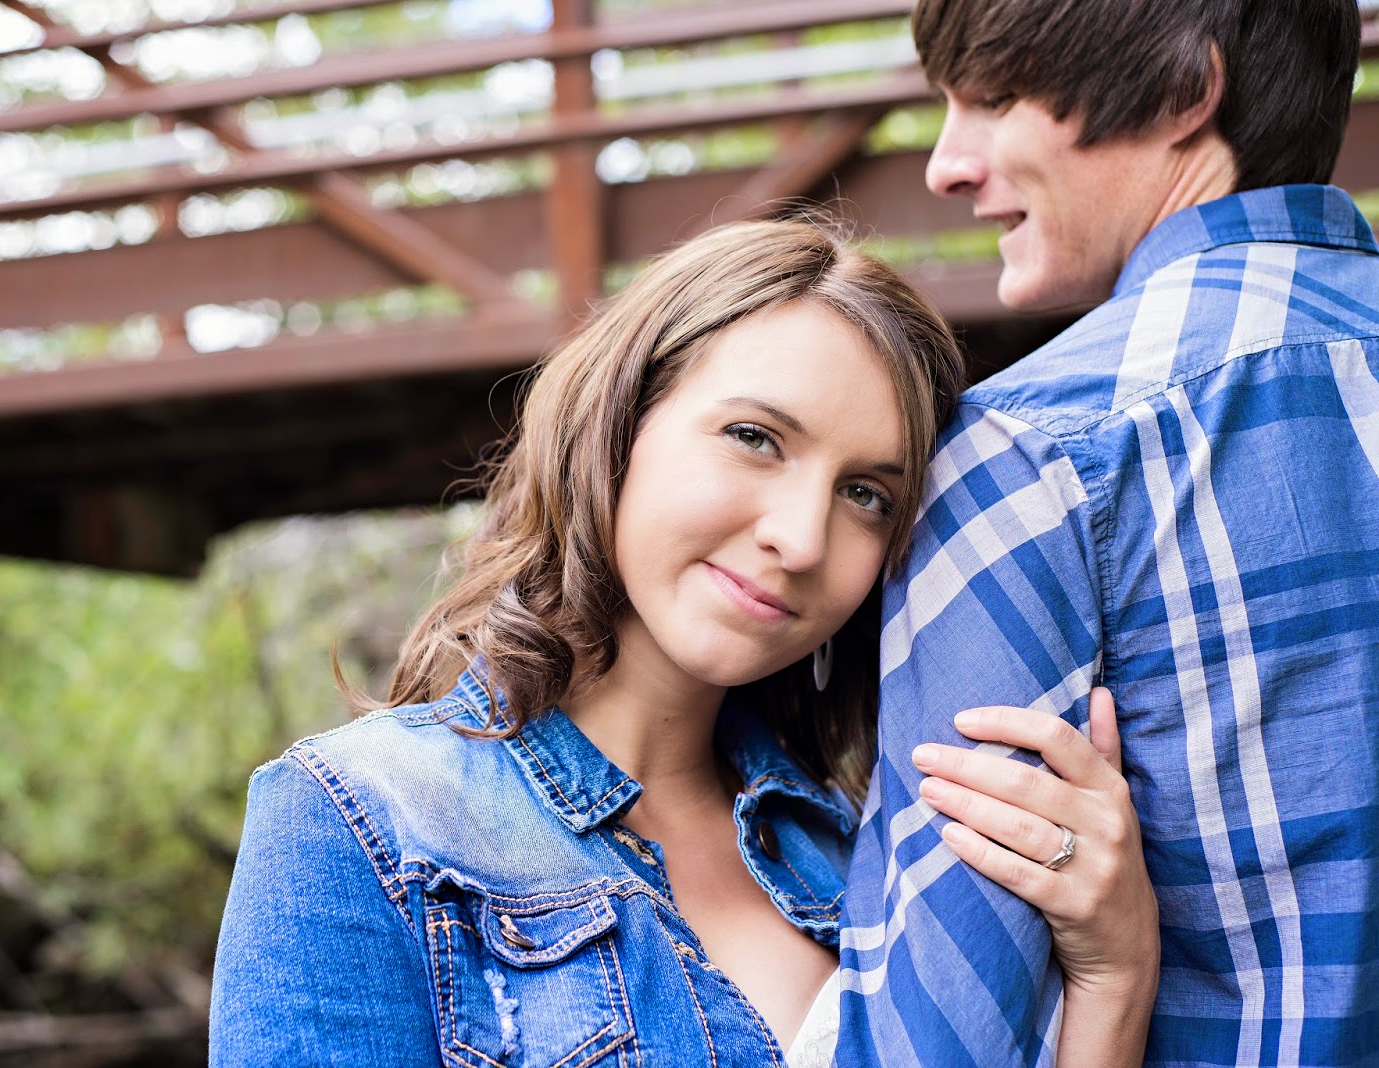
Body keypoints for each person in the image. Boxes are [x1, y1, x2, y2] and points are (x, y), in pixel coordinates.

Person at [207, 218, 1160, 1066]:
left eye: (866, 494)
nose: (801, 537)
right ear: (616, 425)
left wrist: (1113, 978)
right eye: (755, 437)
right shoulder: (359, 822)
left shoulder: (867, 847)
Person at [834, 1, 1379, 1064]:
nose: (947, 164)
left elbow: (943, 1038)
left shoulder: (1033, 452)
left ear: (1183, 91)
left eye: (990, 99)